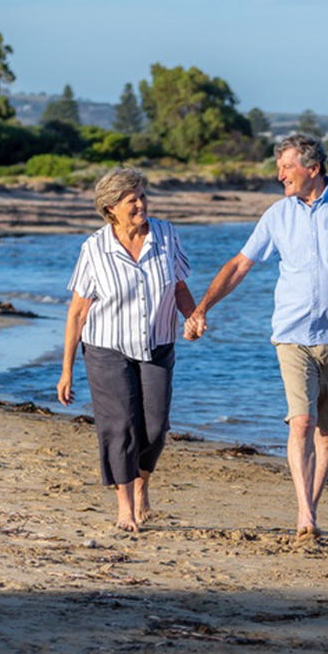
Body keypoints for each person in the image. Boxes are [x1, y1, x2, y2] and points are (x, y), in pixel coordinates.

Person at [185, 133, 328, 540]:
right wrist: (203, 307)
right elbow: (240, 265)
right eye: (279, 168)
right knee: (302, 421)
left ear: (313, 168)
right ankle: (304, 514)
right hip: (292, 334)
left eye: (287, 167)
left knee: (327, 432)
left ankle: (312, 506)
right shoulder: (277, 215)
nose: (280, 176)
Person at [57, 167, 195, 533]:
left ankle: (141, 483)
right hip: (106, 348)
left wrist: (193, 317)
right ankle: (125, 507)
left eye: (143, 195)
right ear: (110, 209)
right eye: (131, 199)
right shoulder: (94, 248)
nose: (141, 204)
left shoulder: (166, 235)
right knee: (120, 426)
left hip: (157, 345)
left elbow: (179, 287)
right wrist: (67, 370)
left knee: (156, 427)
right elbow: (78, 313)